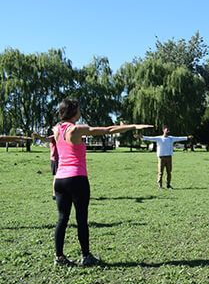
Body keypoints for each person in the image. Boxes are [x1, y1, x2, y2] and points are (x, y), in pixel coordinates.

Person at [53, 98, 152, 267]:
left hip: (60, 180)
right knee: (81, 218)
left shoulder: (56, 129)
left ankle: (60, 258)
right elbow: (108, 129)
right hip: (77, 178)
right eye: (79, 109)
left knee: (62, 219)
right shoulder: (76, 129)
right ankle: (86, 256)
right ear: (74, 112)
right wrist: (134, 126)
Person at [32, 130, 59, 199]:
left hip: (63, 159)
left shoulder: (63, 137)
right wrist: (39, 137)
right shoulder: (53, 137)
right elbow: (46, 139)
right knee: (56, 177)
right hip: (55, 159)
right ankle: (54, 194)